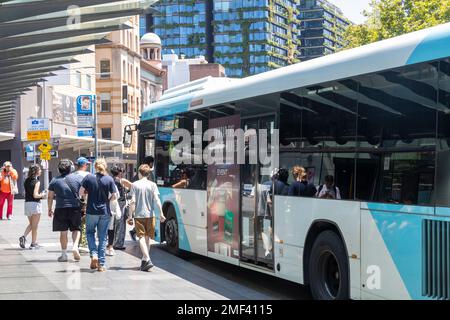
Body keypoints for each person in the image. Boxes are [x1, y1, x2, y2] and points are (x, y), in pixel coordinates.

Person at [79, 158, 117, 272]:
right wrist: (107, 200)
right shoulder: (109, 179)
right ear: (105, 166)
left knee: (90, 233)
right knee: (102, 237)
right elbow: (114, 196)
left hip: (91, 211)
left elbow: (80, 192)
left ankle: (93, 254)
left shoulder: (89, 177)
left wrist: (85, 198)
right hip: (104, 211)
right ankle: (102, 264)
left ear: (95, 167)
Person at [127, 164, 165, 271]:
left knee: (141, 237)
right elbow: (157, 200)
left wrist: (130, 216)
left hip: (139, 215)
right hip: (150, 215)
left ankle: (147, 258)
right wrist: (161, 213)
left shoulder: (135, 185)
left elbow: (132, 201)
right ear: (148, 174)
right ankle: (145, 260)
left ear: (139, 173)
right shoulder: (153, 185)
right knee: (148, 237)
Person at [47, 159, 83, 262]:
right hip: (75, 207)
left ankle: (64, 255)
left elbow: (50, 196)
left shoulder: (54, 180)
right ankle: (75, 246)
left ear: (59, 169)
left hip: (60, 208)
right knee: (76, 229)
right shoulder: (78, 178)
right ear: (71, 168)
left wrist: (50, 209)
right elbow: (84, 192)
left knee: (63, 232)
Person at [123, 156, 155, 242]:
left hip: (139, 197)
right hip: (141, 197)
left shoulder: (142, 171)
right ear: (150, 163)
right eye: (152, 162)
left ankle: (135, 232)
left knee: (141, 217)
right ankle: (136, 233)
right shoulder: (146, 172)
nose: (153, 164)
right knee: (142, 217)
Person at [20, 164, 47, 250]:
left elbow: (26, 193)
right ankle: (33, 243)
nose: (41, 171)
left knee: (32, 224)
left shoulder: (26, 180)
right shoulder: (37, 182)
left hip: (27, 204)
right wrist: (42, 195)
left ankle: (24, 237)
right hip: (35, 205)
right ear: (36, 171)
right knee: (35, 226)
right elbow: (35, 195)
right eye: (39, 170)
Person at [73, 157, 90, 253]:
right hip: (85, 202)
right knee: (85, 223)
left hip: (75, 203)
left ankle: (77, 243)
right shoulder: (88, 175)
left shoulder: (72, 175)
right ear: (83, 165)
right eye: (87, 164)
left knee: (77, 224)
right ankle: (84, 243)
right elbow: (86, 191)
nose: (87, 166)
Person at [110, 165, 127, 250]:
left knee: (112, 223)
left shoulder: (111, 180)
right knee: (120, 223)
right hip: (119, 203)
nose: (123, 173)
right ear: (119, 172)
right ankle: (118, 243)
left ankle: (111, 242)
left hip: (111, 203)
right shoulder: (119, 181)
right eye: (123, 172)